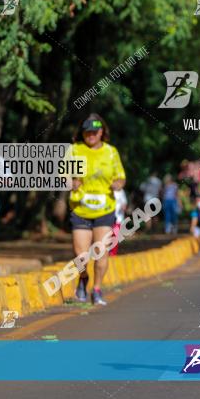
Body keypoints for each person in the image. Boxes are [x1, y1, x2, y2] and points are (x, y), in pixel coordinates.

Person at [68, 114, 126, 306]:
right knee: (81, 256)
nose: (91, 135)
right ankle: (83, 278)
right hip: (81, 210)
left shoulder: (111, 152)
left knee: (101, 254)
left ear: (102, 132)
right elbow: (63, 175)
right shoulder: (75, 150)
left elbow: (121, 177)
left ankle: (97, 288)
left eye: (95, 131)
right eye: (88, 132)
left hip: (105, 211)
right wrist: (71, 182)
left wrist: (118, 184)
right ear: (82, 132)